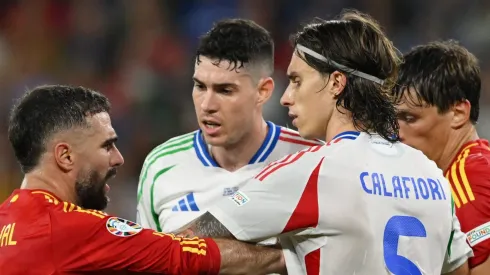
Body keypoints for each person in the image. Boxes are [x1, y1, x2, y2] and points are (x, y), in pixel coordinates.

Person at [177, 11, 473, 275]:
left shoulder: (314, 170)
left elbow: (187, 241)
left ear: (335, 83)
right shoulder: (432, 175)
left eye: (296, 80)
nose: (285, 97)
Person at [0, 85, 286, 274]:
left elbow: (161, 246)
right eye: (106, 145)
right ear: (65, 156)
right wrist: (285, 258)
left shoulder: (9, 220)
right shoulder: (68, 228)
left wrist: (234, 205)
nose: (118, 158)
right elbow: (183, 256)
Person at [136, 18, 323, 234]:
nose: (207, 105)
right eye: (200, 86)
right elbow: (150, 261)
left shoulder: (311, 159)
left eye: (225, 90)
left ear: (263, 91)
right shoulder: (161, 165)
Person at [392, 40, 490, 274]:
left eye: (410, 118)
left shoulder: (467, 181)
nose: (395, 133)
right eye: (394, 118)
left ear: (458, 113)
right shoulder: (475, 164)